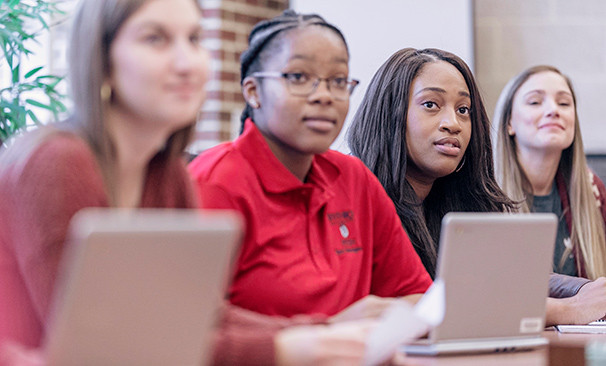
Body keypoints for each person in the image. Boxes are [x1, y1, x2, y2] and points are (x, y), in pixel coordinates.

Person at [189, 10, 433, 365]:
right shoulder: (214, 183)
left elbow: (418, 297)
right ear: (253, 92)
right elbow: (191, 325)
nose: (324, 95)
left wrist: (386, 316)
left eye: (338, 80)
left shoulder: (355, 179)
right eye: (299, 77)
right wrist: (326, 331)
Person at [0, 0, 208, 350]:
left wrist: (315, 333)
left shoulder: (166, 172)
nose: (187, 63)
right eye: (155, 39)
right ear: (103, 62)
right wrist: (284, 348)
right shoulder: (57, 164)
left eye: (195, 39)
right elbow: (99, 342)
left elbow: (199, 313)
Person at [347, 48, 606, 326]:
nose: (453, 124)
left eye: (463, 110)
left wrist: (583, 290)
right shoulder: (357, 198)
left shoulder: (455, 199)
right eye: (431, 104)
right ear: (390, 113)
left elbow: (512, 275)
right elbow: (432, 309)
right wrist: (572, 309)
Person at [493, 65, 606, 324]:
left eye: (564, 103)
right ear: (509, 122)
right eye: (535, 101)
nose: (553, 110)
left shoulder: (593, 190)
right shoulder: (484, 194)